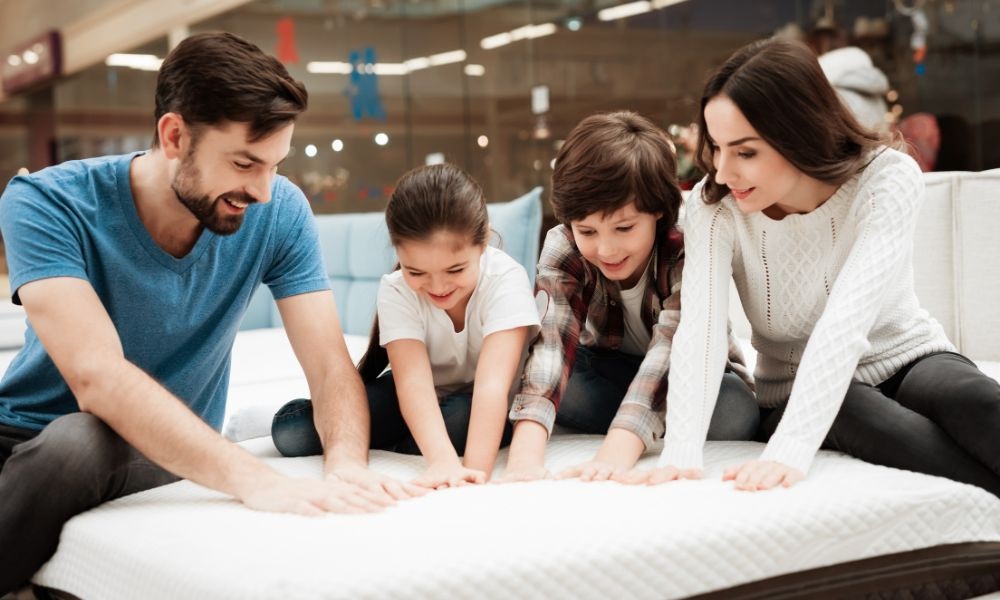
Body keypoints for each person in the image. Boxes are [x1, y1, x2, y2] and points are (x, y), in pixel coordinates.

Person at [0, 32, 418, 594]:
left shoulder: (280, 212)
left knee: (77, 445)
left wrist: (346, 463)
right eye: (245, 163)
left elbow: (328, 367)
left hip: (148, 448)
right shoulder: (47, 202)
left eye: (274, 165)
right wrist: (256, 478)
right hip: (17, 432)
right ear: (174, 136)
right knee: (70, 442)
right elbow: (97, 376)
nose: (263, 190)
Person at [626, 38, 1000, 496]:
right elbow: (700, 331)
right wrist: (682, 452)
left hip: (910, 357)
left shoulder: (887, 178)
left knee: (973, 399)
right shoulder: (714, 207)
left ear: (799, 133)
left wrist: (791, 451)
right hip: (793, 388)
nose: (723, 172)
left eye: (745, 152)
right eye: (718, 148)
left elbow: (845, 323)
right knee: (875, 420)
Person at [501, 111, 758, 483]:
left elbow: (672, 352)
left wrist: (615, 453)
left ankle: (638, 423)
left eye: (624, 228)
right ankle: (644, 419)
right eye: (587, 231)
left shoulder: (688, 244)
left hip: (692, 374)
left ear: (658, 212)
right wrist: (523, 459)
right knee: (542, 382)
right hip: (606, 369)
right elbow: (551, 345)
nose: (606, 249)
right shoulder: (564, 245)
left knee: (735, 411)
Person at [272, 164, 540, 488]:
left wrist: (472, 474)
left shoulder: (505, 279)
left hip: (482, 401)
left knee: (460, 417)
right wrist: (442, 462)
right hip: (417, 396)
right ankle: (414, 440)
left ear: (483, 242)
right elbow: (413, 385)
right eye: (416, 272)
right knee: (292, 432)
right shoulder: (396, 288)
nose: (438, 287)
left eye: (455, 270)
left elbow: (492, 387)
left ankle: (406, 440)